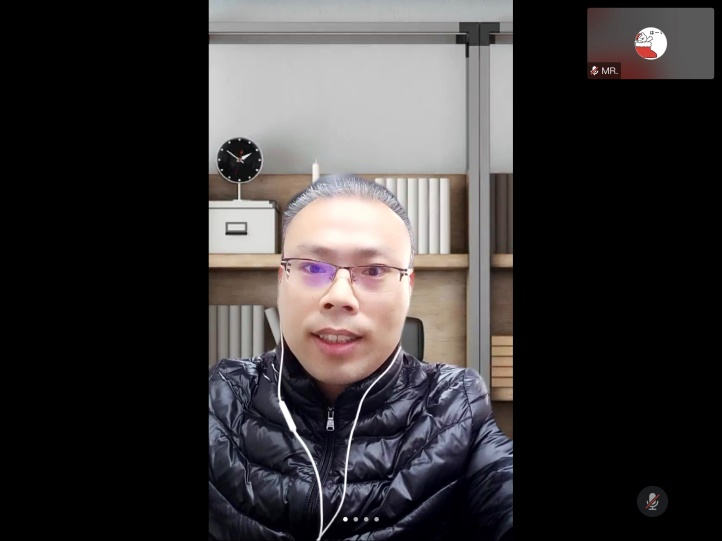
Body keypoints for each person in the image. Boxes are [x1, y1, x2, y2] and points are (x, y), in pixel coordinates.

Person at [209, 174, 513, 541]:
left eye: (374, 271)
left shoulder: (456, 405)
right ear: (281, 280)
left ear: (408, 287)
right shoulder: (222, 398)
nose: (339, 297)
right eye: (312, 267)